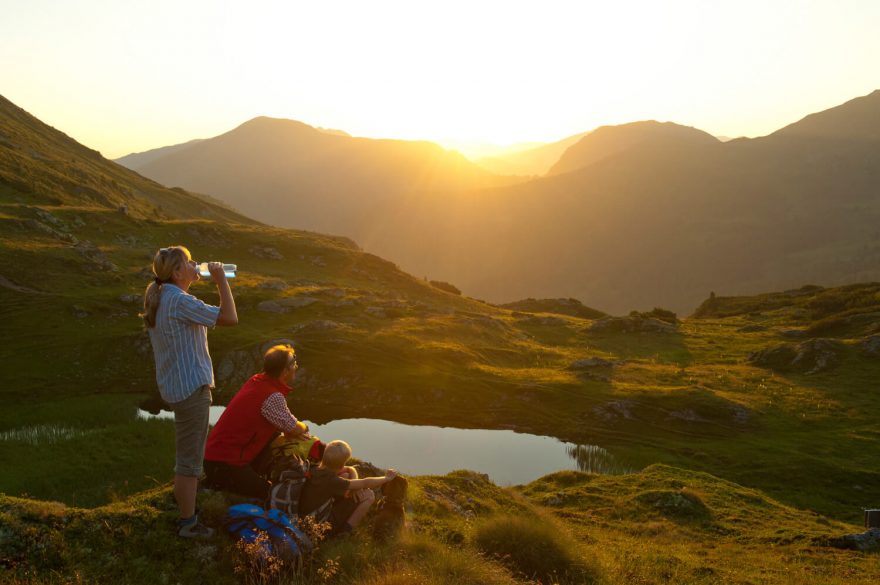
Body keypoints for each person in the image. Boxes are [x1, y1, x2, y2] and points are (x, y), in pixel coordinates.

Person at [142, 246, 238, 538]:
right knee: (190, 461)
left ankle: (184, 505)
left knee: (188, 454)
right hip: (190, 389)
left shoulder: (164, 296)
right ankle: (188, 524)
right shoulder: (179, 300)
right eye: (190, 262)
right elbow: (230, 317)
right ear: (177, 272)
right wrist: (221, 278)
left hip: (177, 386)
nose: (197, 264)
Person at [203, 344, 311, 499]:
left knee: (275, 434)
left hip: (215, 459)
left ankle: (235, 477)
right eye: (293, 364)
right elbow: (294, 428)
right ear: (285, 371)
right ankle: (221, 485)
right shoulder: (272, 396)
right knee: (270, 494)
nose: (296, 366)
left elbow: (284, 426)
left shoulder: (256, 381)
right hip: (226, 464)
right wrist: (304, 427)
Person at [298, 440, 398, 536]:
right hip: (320, 527)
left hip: (306, 518)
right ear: (342, 465)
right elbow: (365, 482)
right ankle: (344, 532)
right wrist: (386, 478)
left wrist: (355, 484)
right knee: (369, 495)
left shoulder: (315, 469)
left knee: (346, 475)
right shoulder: (332, 481)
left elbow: (350, 469)